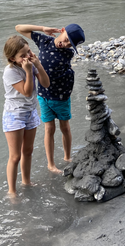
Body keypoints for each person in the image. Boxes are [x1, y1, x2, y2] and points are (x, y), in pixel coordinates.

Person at [15, 24, 85, 174]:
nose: (65, 44)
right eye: (66, 39)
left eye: (69, 44)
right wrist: (42, 28)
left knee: (65, 127)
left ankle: (67, 157)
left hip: (62, 96)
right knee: (49, 129)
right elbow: (19, 28)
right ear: (62, 30)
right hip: (44, 95)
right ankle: (51, 164)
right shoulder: (44, 41)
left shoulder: (68, 53)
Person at [2, 35, 50, 196]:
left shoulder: (30, 63)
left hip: (30, 112)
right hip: (14, 115)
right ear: (12, 58)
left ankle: (26, 181)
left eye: (28, 51)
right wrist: (29, 71)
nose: (27, 56)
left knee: (28, 151)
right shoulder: (10, 72)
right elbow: (27, 92)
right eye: (22, 55)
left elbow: (46, 83)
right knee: (15, 156)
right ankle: (12, 191)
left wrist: (38, 66)